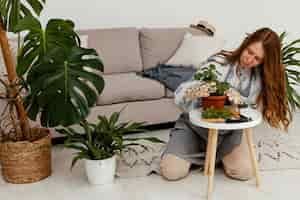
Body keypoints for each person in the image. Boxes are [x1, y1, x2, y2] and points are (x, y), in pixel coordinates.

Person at [160, 27, 291, 181]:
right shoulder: (218, 62)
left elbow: (254, 111)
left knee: (244, 172)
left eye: (257, 58)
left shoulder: (258, 78)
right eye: (249, 52)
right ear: (245, 44)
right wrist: (196, 91)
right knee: (171, 172)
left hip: (229, 133)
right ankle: (203, 153)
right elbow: (181, 95)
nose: (250, 60)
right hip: (195, 129)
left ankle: (215, 156)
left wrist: (240, 101)